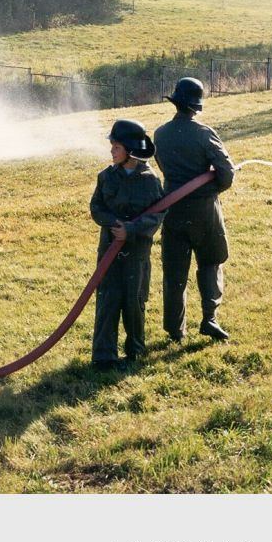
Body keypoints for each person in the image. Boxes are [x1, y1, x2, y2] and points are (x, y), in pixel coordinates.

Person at [154, 77, 235, 343]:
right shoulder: (204, 133)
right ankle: (210, 318)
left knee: (175, 272)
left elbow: (164, 167)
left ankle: (175, 330)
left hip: (173, 211)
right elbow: (226, 173)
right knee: (211, 263)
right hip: (205, 212)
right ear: (196, 106)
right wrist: (211, 188)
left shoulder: (160, 134)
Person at [90, 119, 164, 371]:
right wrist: (114, 225)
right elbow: (96, 207)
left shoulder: (150, 180)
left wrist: (130, 231)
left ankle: (135, 350)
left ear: (130, 150)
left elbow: (157, 216)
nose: (111, 151)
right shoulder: (105, 178)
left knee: (134, 301)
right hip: (109, 253)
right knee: (108, 300)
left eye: (116, 146)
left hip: (136, 254)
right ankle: (103, 356)